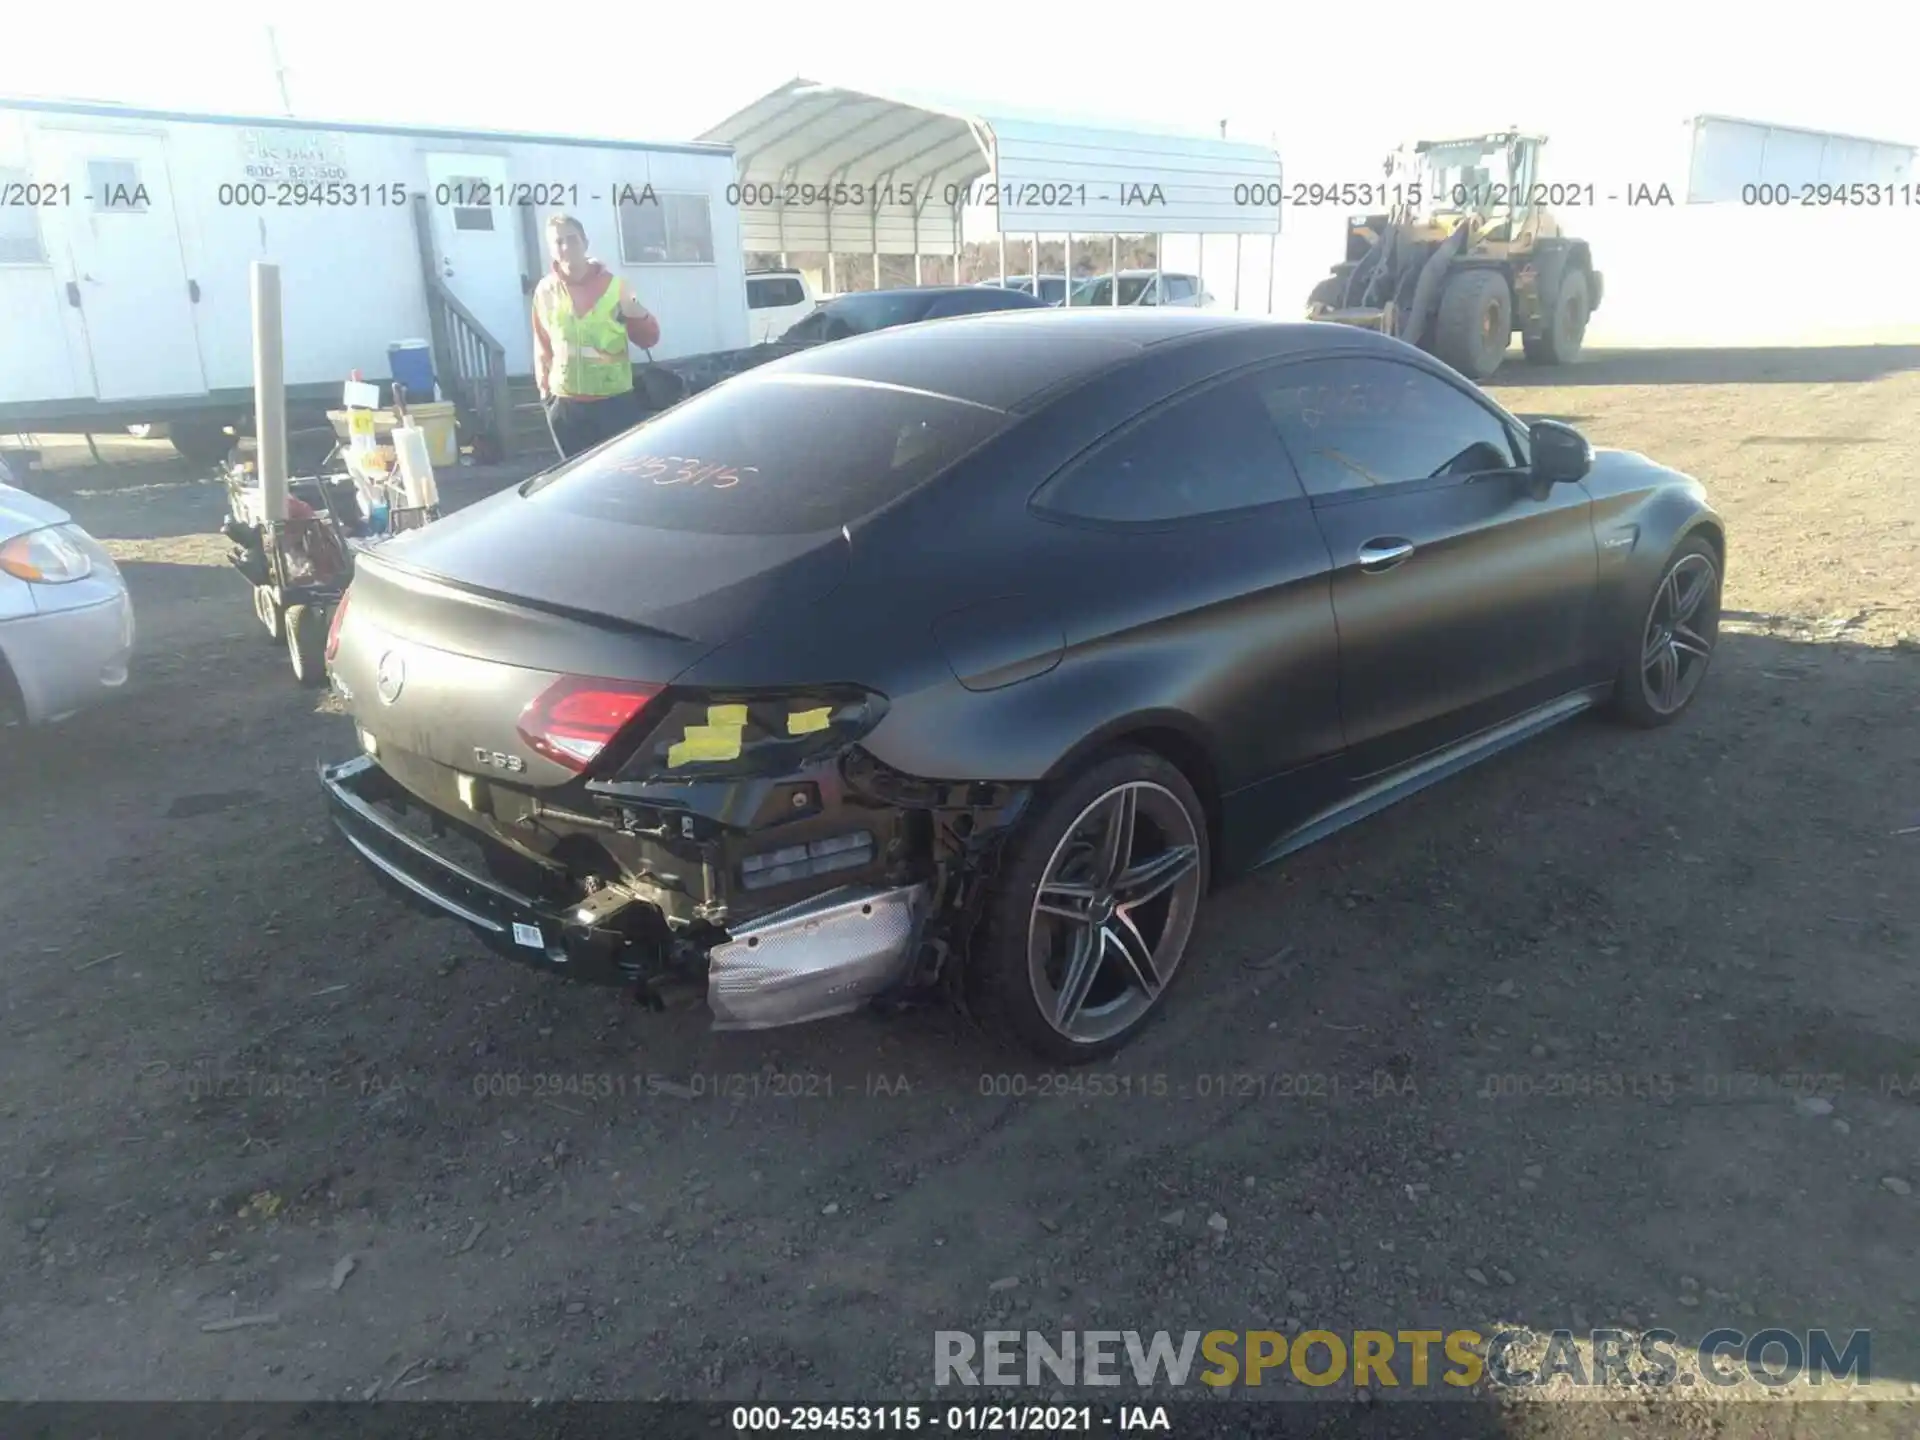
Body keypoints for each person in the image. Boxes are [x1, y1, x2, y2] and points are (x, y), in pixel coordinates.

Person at [531, 212, 661, 460]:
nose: (566, 247)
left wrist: (639, 315)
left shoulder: (619, 287)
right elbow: (541, 344)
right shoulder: (545, 290)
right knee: (575, 483)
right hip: (566, 406)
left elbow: (649, 338)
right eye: (558, 242)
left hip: (614, 404)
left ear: (585, 243)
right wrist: (545, 393)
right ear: (551, 249)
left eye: (572, 239)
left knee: (621, 476)